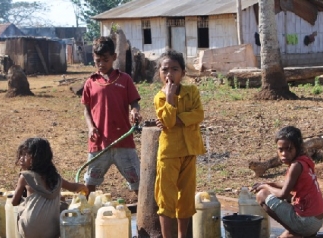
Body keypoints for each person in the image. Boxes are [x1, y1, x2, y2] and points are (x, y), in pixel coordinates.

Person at [154, 49, 206, 238]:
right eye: (165, 70)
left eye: (174, 69)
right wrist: (169, 97)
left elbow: (199, 114)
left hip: (189, 150)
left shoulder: (191, 91)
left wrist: (177, 120)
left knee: (186, 198)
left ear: (183, 72)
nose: (169, 74)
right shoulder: (159, 97)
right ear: (159, 73)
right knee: (166, 198)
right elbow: (167, 122)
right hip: (169, 154)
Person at [81, 36, 142, 194]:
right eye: (97, 60)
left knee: (138, 182)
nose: (101, 64)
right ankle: (87, 212)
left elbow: (134, 101)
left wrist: (134, 110)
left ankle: (146, 215)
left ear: (114, 57)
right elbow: (86, 109)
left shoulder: (125, 79)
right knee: (90, 182)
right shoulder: (91, 82)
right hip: (99, 142)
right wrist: (90, 127)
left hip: (123, 141)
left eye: (105, 60)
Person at [252, 126, 323, 238]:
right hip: (317, 220)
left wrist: (265, 186)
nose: (284, 153)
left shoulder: (295, 166)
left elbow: (283, 193)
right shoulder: (304, 160)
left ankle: (295, 231)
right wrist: (270, 184)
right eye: (281, 150)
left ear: (297, 148)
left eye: (289, 149)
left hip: (307, 222)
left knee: (262, 195)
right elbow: (289, 185)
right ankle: (296, 232)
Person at [12, 138, 88, 238]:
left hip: (30, 231)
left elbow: (14, 202)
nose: (21, 158)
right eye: (21, 155)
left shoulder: (25, 177)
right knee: (62, 205)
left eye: (26, 155)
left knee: (21, 208)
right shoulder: (56, 179)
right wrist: (84, 188)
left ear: (36, 158)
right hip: (52, 232)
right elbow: (73, 187)